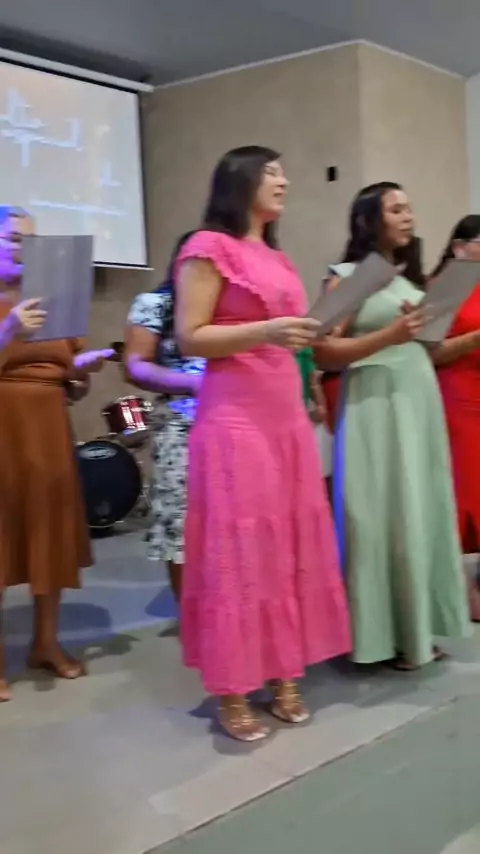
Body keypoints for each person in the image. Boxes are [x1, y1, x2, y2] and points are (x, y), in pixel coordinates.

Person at [174, 145, 351, 741]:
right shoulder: (207, 246)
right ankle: (232, 686)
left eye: (283, 172)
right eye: (272, 172)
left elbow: (289, 337)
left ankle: (284, 670)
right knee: (240, 547)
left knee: (287, 544)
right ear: (240, 180)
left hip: (284, 415)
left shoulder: (276, 257)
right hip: (235, 418)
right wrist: (268, 330)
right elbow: (190, 337)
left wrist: (310, 348)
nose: (284, 181)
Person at [314, 182, 469, 671]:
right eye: (396, 209)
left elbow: (430, 350)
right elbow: (322, 352)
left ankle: (414, 632)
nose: (408, 217)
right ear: (368, 221)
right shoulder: (348, 277)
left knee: (417, 511)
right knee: (378, 513)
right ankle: (378, 636)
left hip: (417, 400)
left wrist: (442, 329)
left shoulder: (408, 280)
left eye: (409, 208)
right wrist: (390, 334)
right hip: (374, 405)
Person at [0, 208, 109, 702]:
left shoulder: (53, 300)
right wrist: (9, 330)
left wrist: (81, 371)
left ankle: (45, 642)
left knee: (49, 533)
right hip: (4, 426)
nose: (25, 247)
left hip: (48, 426)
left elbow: (70, 384)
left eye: (31, 240)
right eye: (13, 238)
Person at [124, 232, 205, 605]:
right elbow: (135, 366)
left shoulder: (227, 308)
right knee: (181, 521)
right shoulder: (155, 304)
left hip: (235, 420)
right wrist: (195, 384)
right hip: (180, 421)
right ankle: (190, 613)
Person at [430, 215, 480, 620]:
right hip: (458, 397)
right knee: (465, 491)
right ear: (460, 246)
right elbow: (430, 352)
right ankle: (460, 591)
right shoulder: (448, 285)